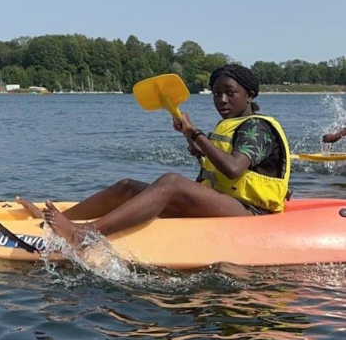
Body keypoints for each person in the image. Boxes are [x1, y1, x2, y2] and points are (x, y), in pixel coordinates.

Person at [17, 65, 291, 248]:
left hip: (250, 212)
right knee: (126, 187)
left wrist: (196, 134)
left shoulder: (257, 126)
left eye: (230, 93)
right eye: (217, 93)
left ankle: (84, 234)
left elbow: (233, 169)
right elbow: (217, 169)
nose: (222, 100)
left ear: (249, 95)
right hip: (225, 202)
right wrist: (191, 138)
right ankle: (54, 219)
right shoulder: (229, 125)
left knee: (171, 182)